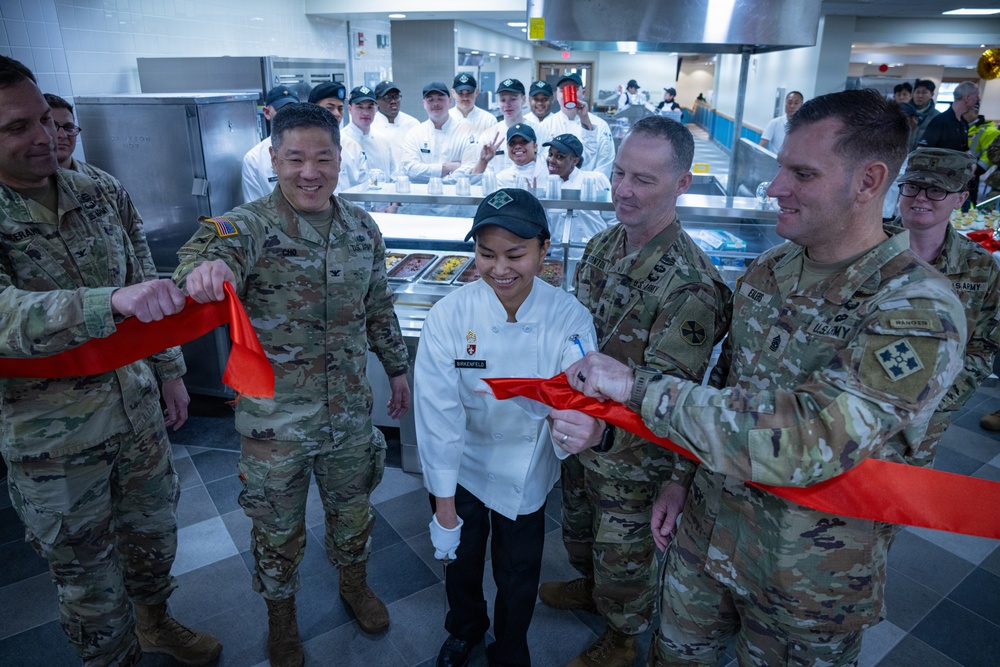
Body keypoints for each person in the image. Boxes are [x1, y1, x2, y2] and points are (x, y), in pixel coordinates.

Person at [564, 88, 967, 667]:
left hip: (805, 577)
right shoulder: (768, 271)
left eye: (801, 173)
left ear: (869, 181)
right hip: (706, 537)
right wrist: (680, 477)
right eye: (781, 168)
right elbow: (722, 384)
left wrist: (636, 386)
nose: (776, 188)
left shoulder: (915, 310)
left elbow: (811, 439)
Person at [0, 56, 221, 667]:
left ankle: (155, 622)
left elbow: (142, 278)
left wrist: (171, 371)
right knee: (87, 576)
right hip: (54, 441)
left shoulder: (98, 190)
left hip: (137, 410)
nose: (44, 136)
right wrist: (108, 302)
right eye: (17, 128)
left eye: (45, 120)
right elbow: (5, 315)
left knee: (153, 537)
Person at [174, 102, 410, 667]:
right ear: (275, 160)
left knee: (353, 512)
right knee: (276, 529)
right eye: (296, 158)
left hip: (350, 412)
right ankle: (282, 617)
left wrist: (398, 370)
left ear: (339, 159)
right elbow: (204, 253)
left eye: (323, 158)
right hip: (275, 422)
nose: (311, 172)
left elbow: (378, 307)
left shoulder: (361, 227)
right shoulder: (250, 224)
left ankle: (354, 585)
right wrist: (205, 271)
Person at [539, 116, 732, 667]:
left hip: (634, 453)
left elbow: (674, 397)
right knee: (580, 525)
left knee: (624, 548)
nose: (623, 189)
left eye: (643, 179)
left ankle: (623, 634)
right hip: (581, 433)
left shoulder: (690, 285)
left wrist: (610, 435)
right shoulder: (603, 246)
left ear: (682, 184)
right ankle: (589, 585)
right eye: (619, 172)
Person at [415, 188, 598, 667]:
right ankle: (464, 630)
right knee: (462, 562)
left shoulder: (568, 316)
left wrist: (580, 419)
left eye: (515, 254)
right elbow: (438, 417)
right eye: (486, 254)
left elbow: (576, 386)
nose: (500, 269)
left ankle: (511, 644)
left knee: (519, 572)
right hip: (461, 465)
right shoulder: (450, 316)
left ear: (543, 248)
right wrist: (445, 506)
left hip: (526, 469)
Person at [894, 148, 1000, 459]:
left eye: (937, 189)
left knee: (900, 497)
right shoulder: (863, 249)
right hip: (849, 406)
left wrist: (938, 403)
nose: (920, 197)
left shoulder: (979, 267)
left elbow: (982, 346)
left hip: (926, 416)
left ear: (959, 198)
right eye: (912, 186)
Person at [400, 81, 481, 184]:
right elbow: (411, 170)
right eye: (430, 100)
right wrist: (446, 168)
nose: (435, 103)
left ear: (450, 101)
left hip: (454, 197)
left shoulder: (467, 133)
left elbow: (470, 170)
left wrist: (433, 179)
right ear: (424, 104)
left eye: (440, 99)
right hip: (422, 198)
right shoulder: (414, 134)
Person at [541, 133, 614, 246]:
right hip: (558, 255)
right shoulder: (547, 185)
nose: (551, 160)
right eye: (550, 154)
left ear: (575, 161)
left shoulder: (594, 179)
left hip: (594, 254)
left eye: (559, 156)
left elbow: (613, 219)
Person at [541, 73, 616, 180]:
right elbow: (542, 163)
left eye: (574, 89)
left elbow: (605, 163)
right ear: (557, 95)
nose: (568, 93)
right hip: (555, 189)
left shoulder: (600, 125)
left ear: (583, 93)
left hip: (589, 190)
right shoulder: (546, 125)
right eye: (563, 90)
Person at [479, 78, 553, 173]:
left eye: (513, 99)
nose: (507, 104)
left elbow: (547, 166)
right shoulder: (489, 135)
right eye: (503, 100)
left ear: (523, 99)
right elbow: (482, 171)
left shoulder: (540, 132)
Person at [242, 84, 300, 203]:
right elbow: (254, 208)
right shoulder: (254, 159)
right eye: (282, 110)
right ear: (267, 112)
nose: (288, 115)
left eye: (293, 110)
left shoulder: (313, 149)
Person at [339, 85, 398, 191]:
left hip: (386, 204)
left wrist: (394, 205)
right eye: (360, 107)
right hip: (354, 206)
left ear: (376, 109)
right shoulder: (340, 140)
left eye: (370, 107)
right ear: (350, 109)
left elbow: (394, 175)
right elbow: (342, 185)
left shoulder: (383, 140)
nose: (365, 113)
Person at [473, 123, 549, 189]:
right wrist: (483, 161)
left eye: (523, 142)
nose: (517, 146)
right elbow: (475, 187)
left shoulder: (549, 167)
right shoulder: (503, 178)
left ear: (535, 146)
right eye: (512, 143)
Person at [918, 80, 980, 152]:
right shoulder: (940, 121)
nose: (978, 99)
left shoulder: (963, 123)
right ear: (967, 98)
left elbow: (965, 150)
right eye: (976, 95)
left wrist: (973, 163)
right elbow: (922, 149)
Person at [371, 80, 420, 164]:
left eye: (396, 97)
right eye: (387, 97)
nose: (393, 101)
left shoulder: (413, 124)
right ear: (376, 102)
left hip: (410, 176)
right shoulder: (371, 125)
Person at [759, 90, 803, 154]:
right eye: (789, 103)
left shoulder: (805, 125)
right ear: (785, 104)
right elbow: (761, 146)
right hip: (775, 162)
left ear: (802, 105)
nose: (792, 106)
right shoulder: (775, 123)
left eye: (796, 103)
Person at [907, 79, 939, 151]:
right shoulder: (903, 111)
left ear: (932, 94)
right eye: (917, 92)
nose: (920, 96)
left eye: (924, 93)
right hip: (902, 155)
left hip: (923, 156)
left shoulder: (937, 116)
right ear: (913, 94)